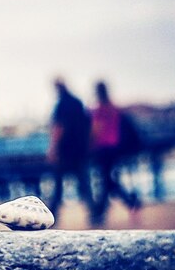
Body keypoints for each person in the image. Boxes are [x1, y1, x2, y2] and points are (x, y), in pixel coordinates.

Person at [90, 81, 141, 223]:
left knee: (106, 180)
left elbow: (96, 129)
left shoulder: (100, 109)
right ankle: (126, 201)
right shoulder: (114, 108)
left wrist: (90, 144)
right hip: (115, 148)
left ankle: (122, 203)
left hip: (102, 149)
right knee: (108, 180)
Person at [46, 78, 95, 221]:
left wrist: (53, 148)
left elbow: (58, 128)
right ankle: (93, 212)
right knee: (84, 183)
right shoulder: (77, 103)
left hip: (65, 150)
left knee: (58, 184)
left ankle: (53, 214)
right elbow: (88, 124)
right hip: (80, 149)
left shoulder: (61, 105)